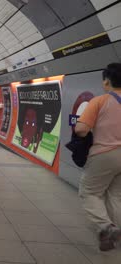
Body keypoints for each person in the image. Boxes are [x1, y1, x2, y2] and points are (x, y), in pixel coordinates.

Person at [75, 63, 121, 251]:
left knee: (89, 191)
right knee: (116, 195)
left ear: (107, 81)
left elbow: (81, 129)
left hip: (105, 153)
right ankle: (116, 233)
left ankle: (106, 227)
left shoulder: (100, 101)